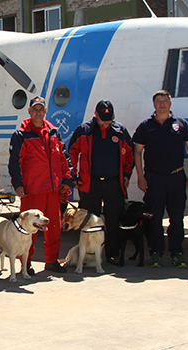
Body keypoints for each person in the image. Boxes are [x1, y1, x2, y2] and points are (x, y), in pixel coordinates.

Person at [133, 90, 188, 268]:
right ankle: (155, 252)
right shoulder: (146, 126)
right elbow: (137, 152)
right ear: (154, 105)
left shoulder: (181, 124)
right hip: (154, 179)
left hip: (176, 177)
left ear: (170, 104)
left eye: (165, 101)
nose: (162, 104)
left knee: (177, 217)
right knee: (154, 217)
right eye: (158, 101)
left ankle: (177, 252)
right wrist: (140, 177)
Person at [8, 96, 73, 274]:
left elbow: (64, 157)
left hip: (53, 191)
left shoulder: (54, 132)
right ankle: (26, 263)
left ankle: (51, 261)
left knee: (54, 228)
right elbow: (15, 162)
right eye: (34, 109)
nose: (38, 112)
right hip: (32, 191)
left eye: (41, 109)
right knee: (29, 230)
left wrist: (67, 180)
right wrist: (18, 184)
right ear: (29, 111)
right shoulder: (21, 135)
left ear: (45, 111)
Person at [67, 100, 134, 266]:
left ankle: (112, 253)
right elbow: (71, 153)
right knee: (89, 221)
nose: (106, 121)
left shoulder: (120, 131)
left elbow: (130, 155)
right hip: (90, 184)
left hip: (113, 184)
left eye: (109, 118)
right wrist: (72, 176)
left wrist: (126, 175)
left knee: (113, 220)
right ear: (95, 115)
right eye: (103, 118)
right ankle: (88, 255)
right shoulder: (84, 131)